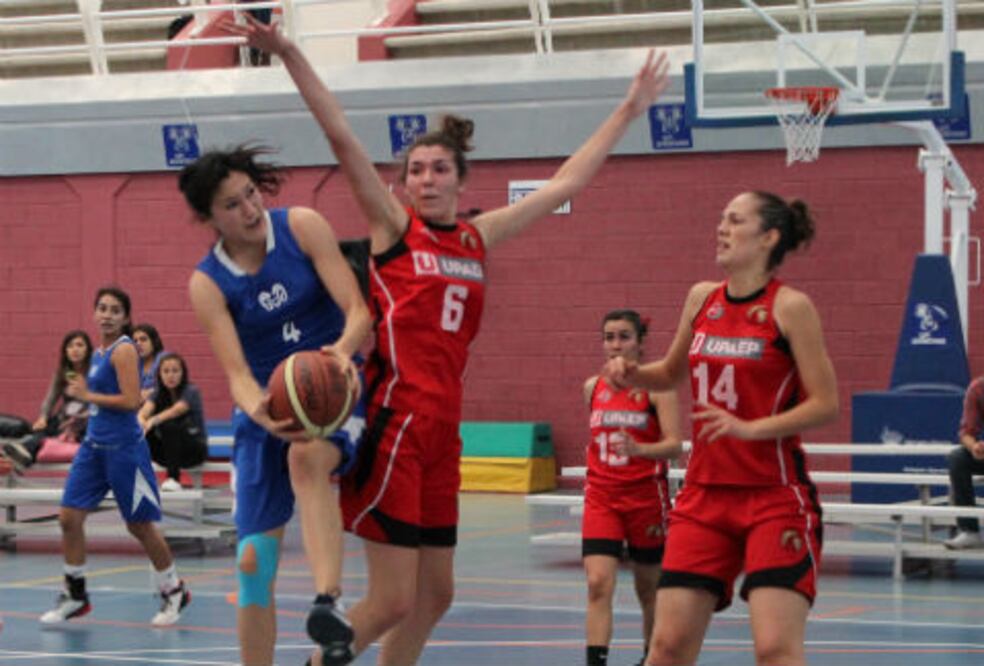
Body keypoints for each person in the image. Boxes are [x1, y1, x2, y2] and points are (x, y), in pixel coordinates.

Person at [230, 16, 670, 665]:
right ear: (403, 182)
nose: (427, 178)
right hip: (397, 424)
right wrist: (291, 51)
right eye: (416, 170)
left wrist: (628, 110)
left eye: (439, 168)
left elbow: (565, 184)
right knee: (392, 600)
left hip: (444, 431)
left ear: (462, 179)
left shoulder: (474, 236)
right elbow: (340, 135)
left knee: (436, 595)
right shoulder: (393, 228)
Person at [605, 191, 838, 666]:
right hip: (703, 498)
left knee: (774, 650)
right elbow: (670, 373)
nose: (722, 228)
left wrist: (751, 428)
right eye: (721, 219)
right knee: (667, 648)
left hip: (773, 496)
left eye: (735, 220)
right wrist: (634, 373)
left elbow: (825, 403)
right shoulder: (702, 297)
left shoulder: (790, 307)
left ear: (769, 237)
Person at [181, 145, 371, 666]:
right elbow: (238, 375)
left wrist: (343, 350)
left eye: (250, 194)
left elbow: (358, 310)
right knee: (251, 564)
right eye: (232, 204)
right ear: (209, 217)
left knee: (306, 457)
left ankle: (328, 603)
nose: (249, 209)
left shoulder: (302, 226)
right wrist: (260, 409)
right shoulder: (207, 283)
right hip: (269, 403)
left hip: (332, 384)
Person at [39, 286, 191, 626]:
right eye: (102, 308)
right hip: (94, 448)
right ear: (94, 313)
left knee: (139, 526)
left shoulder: (124, 351)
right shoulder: (96, 354)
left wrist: (88, 395)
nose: (106, 314)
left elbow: (131, 400)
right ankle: (76, 594)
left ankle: (175, 591)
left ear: (125, 317)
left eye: (115, 309)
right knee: (68, 518)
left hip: (125, 450)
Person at [582, 310, 682, 666]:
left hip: (645, 499)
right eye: (609, 337)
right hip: (601, 497)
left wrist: (641, 450)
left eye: (624, 336)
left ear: (640, 342)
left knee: (648, 589)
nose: (615, 344)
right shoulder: (592, 388)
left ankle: (650, 657)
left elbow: (674, 445)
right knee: (597, 583)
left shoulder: (658, 388)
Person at [1, 330, 93, 472]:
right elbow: (50, 400)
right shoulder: (63, 372)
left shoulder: (95, 372)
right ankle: (22, 454)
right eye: (70, 346)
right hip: (64, 419)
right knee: (42, 429)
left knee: (55, 430)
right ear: (65, 351)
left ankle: (24, 451)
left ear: (88, 350)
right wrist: (43, 417)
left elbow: (98, 402)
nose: (75, 349)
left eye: (80, 345)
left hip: (86, 421)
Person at [138, 352, 208, 491]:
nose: (170, 375)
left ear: (183, 373)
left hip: (193, 450)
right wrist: (142, 423)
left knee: (170, 425)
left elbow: (177, 410)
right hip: (167, 454)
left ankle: (173, 479)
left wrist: (153, 420)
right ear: (160, 374)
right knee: (141, 429)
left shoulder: (191, 391)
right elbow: (142, 414)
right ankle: (139, 472)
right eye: (166, 371)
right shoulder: (157, 393)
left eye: (175, 371)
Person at [944, 376, 984, 549]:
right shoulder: (977, 389)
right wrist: (975, 447)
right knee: (957, 458)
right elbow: (966, 433)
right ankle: (969, 531)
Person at [133, 323, 165, 403]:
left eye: (143, 339)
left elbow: (176, 388)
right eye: (135, 341)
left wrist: (152, 392)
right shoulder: (135, 363)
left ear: (154, 341)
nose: (138, 344)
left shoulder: (164, 360)